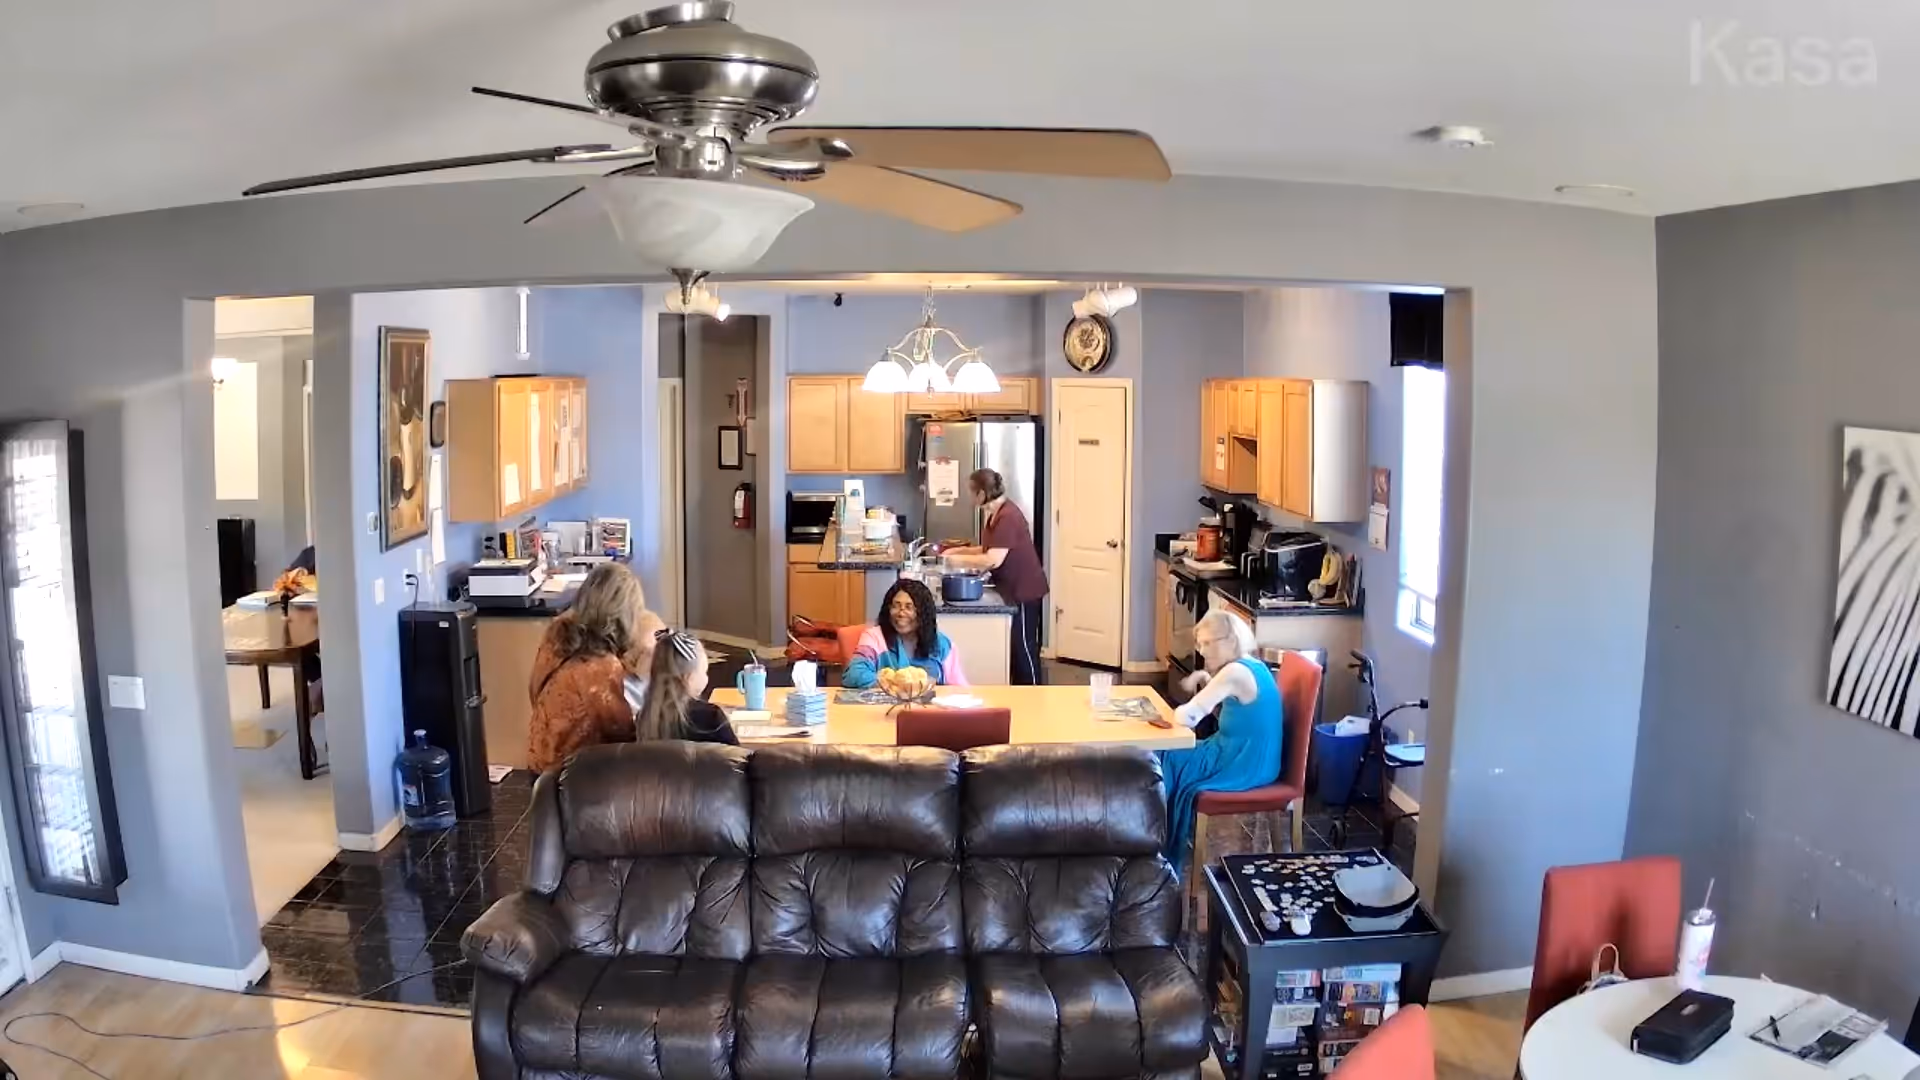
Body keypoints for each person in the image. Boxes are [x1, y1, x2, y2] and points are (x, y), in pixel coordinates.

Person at [1160, 609, 1283, 872]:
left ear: (1230, 640)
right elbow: (1233, 711)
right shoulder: (1254, 665)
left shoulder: (1234, 673)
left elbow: (1188, 717)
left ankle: (1156, 846)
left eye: (1207, 643)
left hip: (1240, 763)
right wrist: (1207, 682)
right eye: (1200, 643)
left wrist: (1166, 710)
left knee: (1161, 756)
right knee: (1169, 753)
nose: (1202, 650)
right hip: (1257, 760)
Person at [526, 562, 666, 772]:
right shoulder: (601, 668)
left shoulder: (557, 634)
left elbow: (534, 690)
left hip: (539, 760)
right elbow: (623, 735)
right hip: (568, 777)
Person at [942, 468, 1048, 684]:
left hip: (1024, 590)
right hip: (1009, 589)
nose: (969, 497)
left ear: (981, 494)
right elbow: (986, 550)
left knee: (1024, 649)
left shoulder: (1008, 516)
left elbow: (993, 559)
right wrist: (955, 552)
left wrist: (956, 561)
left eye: (971, 492)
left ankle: (1036, 699)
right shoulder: (995, 514)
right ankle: (1020, 699)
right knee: (1014, 649)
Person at [843, 579, 968, 688]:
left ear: (923, 614)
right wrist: (898, 684)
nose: (901, 613)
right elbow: (854, 674)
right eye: (896, 606)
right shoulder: (874, 637)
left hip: (929, 711)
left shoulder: (942, 644)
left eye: (909, 607)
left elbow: (958, 688)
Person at [635, 628, 739, 744]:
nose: (707, 677)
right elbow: (739, 758)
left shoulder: (643, 718)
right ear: (688, 677)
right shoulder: (711, 717)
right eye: (704, 671)